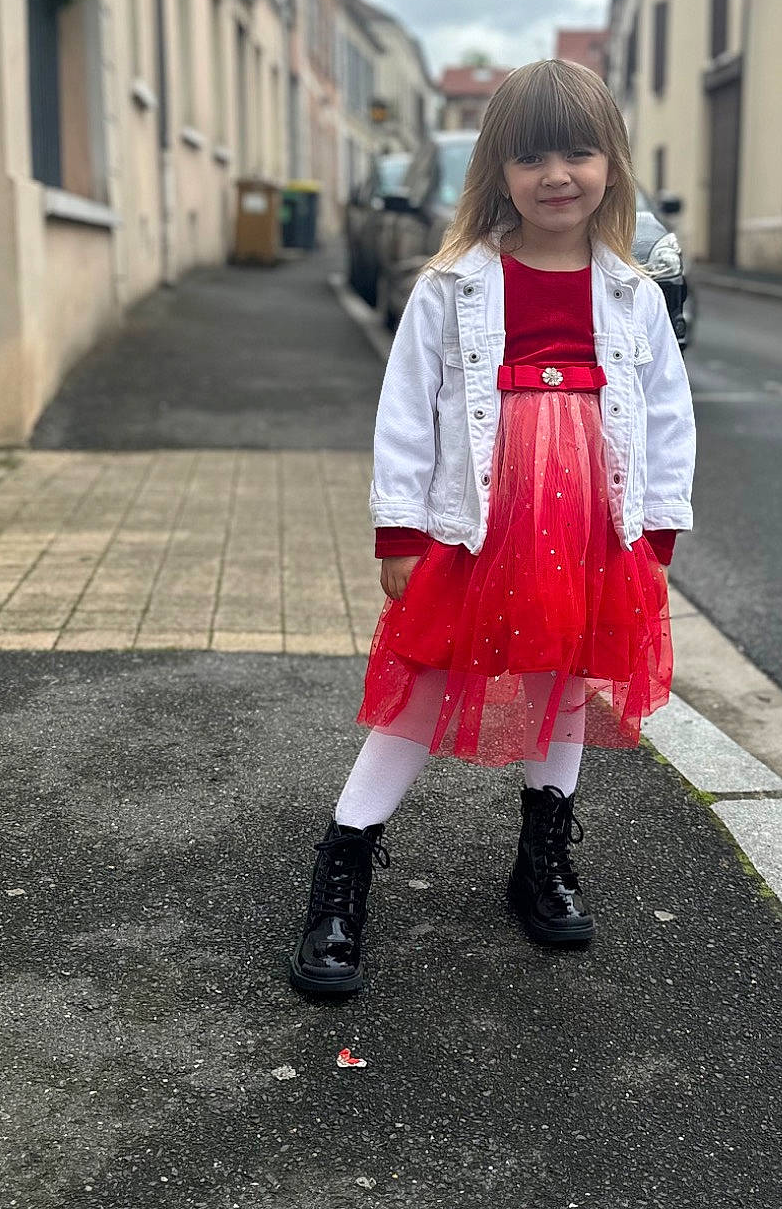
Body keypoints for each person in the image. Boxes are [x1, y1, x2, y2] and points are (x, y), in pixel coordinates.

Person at [288, 57, 696, 997]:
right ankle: (344, 866)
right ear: (498, 173)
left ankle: (542, 858)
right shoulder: (454, 285)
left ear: (612, 164)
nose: (557, 175)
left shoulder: (633, 293)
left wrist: (657, 535)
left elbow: (668, 414)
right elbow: (406, 407)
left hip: (592, 529)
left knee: (562, 678)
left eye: (579, 153)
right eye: (532, 157)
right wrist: (399, 531)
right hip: (478, 528)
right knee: (424, 680)